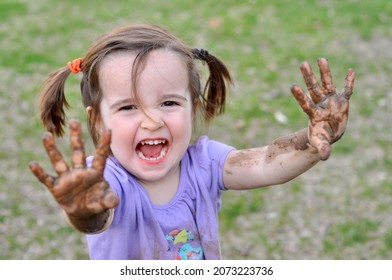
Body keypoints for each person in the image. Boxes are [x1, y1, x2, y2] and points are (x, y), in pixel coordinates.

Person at [29, 23, 355, 260]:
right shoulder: (102, 183)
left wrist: (312, 141)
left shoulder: (203, 162)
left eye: (169, 103)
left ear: (193, 108)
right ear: (99, 121)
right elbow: (98, 217)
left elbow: (266, 163)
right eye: (128, 107)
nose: (152, 120)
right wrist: (83, 210)